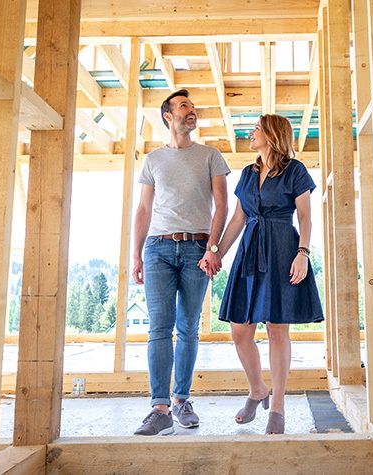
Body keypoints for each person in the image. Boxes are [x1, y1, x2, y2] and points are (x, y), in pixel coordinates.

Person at [207, 113, 323, 434]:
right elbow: (238, 220)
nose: (251, 132)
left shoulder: (295, 171)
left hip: (284, 250)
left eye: (257, 128)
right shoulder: (247, 173)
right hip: (249, 253)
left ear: (272, 135)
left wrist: (303, 253)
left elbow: (305, 216)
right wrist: (215, 252)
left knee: (276, 329)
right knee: (240, 331)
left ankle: (279, 406)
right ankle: (258, 390)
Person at [131, 89, 230, 436]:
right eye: (184, 106)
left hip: (196, 249)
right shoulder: (153, 160)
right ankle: (160, 409)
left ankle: (181, 400)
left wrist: (213, 248)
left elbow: (223, 206)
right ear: (168, 117)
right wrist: (136, 254)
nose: (192, 111)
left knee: (187, 327)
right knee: (159, 327)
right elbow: (143, 209)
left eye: (192, 107)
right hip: (157, 249)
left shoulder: (210, 156)